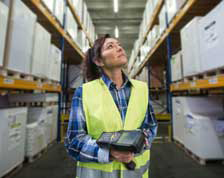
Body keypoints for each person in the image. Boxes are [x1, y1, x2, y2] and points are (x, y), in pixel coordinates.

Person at [65, 34, 158, 178]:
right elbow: (74, 141)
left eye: (119, 44)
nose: (119, 48)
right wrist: (109, 153)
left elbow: (150, 126)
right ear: (98, 61)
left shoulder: (141, 89)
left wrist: (139, 144)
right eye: (110, 46)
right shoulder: (84, 92)